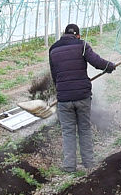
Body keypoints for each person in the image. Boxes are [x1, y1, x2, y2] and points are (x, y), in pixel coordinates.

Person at [48, 23, 115, 172]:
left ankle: (69, 165)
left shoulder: (53, 49)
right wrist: (109, 66)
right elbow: (97, 62)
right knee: (84, 129)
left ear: (64, 34)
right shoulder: (82, 45)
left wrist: (62, 90)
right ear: (77, 35)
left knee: (68, 132)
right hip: (82, 96)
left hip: (64, 98)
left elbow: (54, 76)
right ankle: (88, 162)